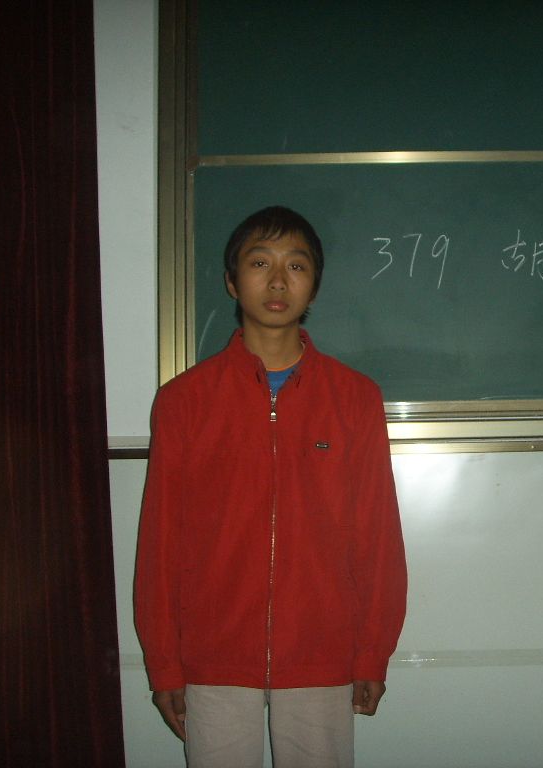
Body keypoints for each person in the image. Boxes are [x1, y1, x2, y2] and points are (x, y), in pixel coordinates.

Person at [135, 205, 408, 768]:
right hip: (213, 656)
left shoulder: (355, 399)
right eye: (260, 263)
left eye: (296, 266)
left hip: (321, 653)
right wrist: (164, 663)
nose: (279, 281)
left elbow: (378, 538)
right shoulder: (185, 401)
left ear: (314, 286)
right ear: (232, 281)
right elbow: (160, 543)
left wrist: (371, 652)